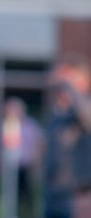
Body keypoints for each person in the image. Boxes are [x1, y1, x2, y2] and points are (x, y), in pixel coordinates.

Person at [44, 54, 91, 218]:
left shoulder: (85, 108)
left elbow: (86, 116)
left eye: (70, 79)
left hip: (81, 197)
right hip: (54, 195)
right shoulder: (58, 114)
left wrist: (69, 86)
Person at [1, 97, 44, 218]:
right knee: (12, 195)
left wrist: (37, 160)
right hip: (11, 167)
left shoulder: (31, 125)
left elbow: (40, 143)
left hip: (27, 166)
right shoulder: (8, 125)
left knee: (27, 196)